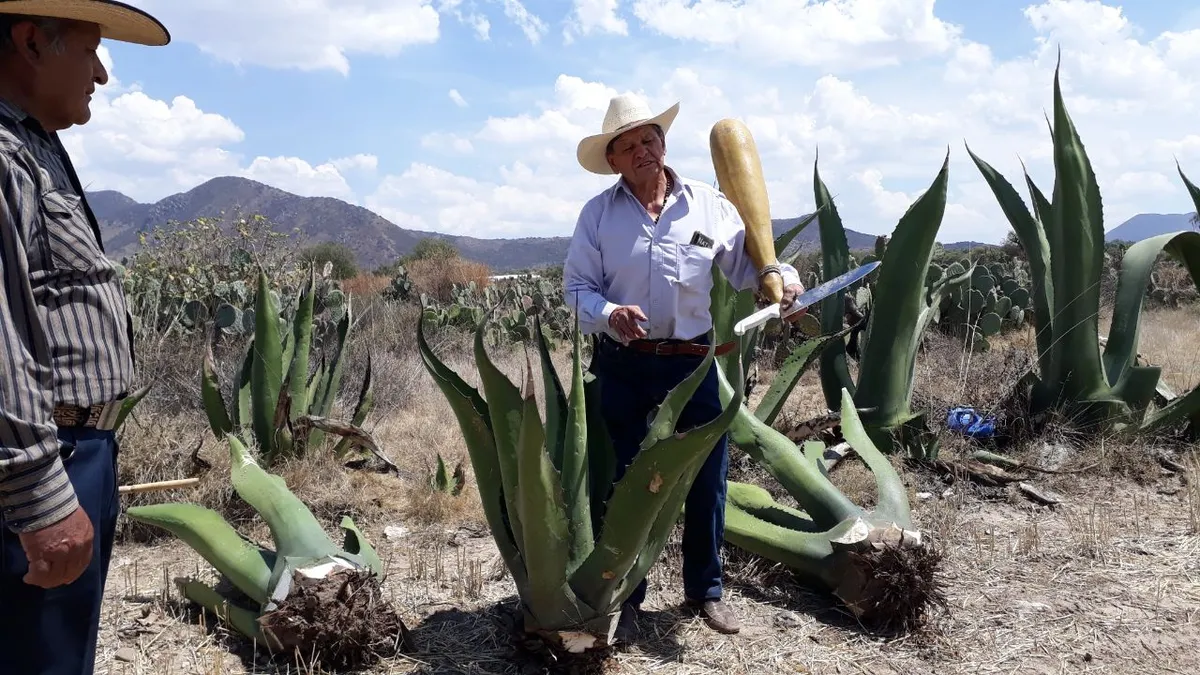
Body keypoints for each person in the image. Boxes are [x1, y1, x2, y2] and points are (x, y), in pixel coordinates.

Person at [563, 93, 806, 640]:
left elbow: (750, 267)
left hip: (692, 366)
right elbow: (575, 289)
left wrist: (782, 280)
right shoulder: (597, 217)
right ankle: (626, 596)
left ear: (663, 142)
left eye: (648, 138)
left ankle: (706, 592)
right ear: (614, 161)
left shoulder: (708, 205)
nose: (642, 150)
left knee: (708, 480)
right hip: (624, 363)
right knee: (627, 481)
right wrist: (607, 313)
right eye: (627, 146)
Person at [0, 3, 169, 674]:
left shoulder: (34, 145)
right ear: (32, 41)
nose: (101, 73)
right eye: (91, 50)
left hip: (72, 452)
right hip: (42, 461)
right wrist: (40, 494)